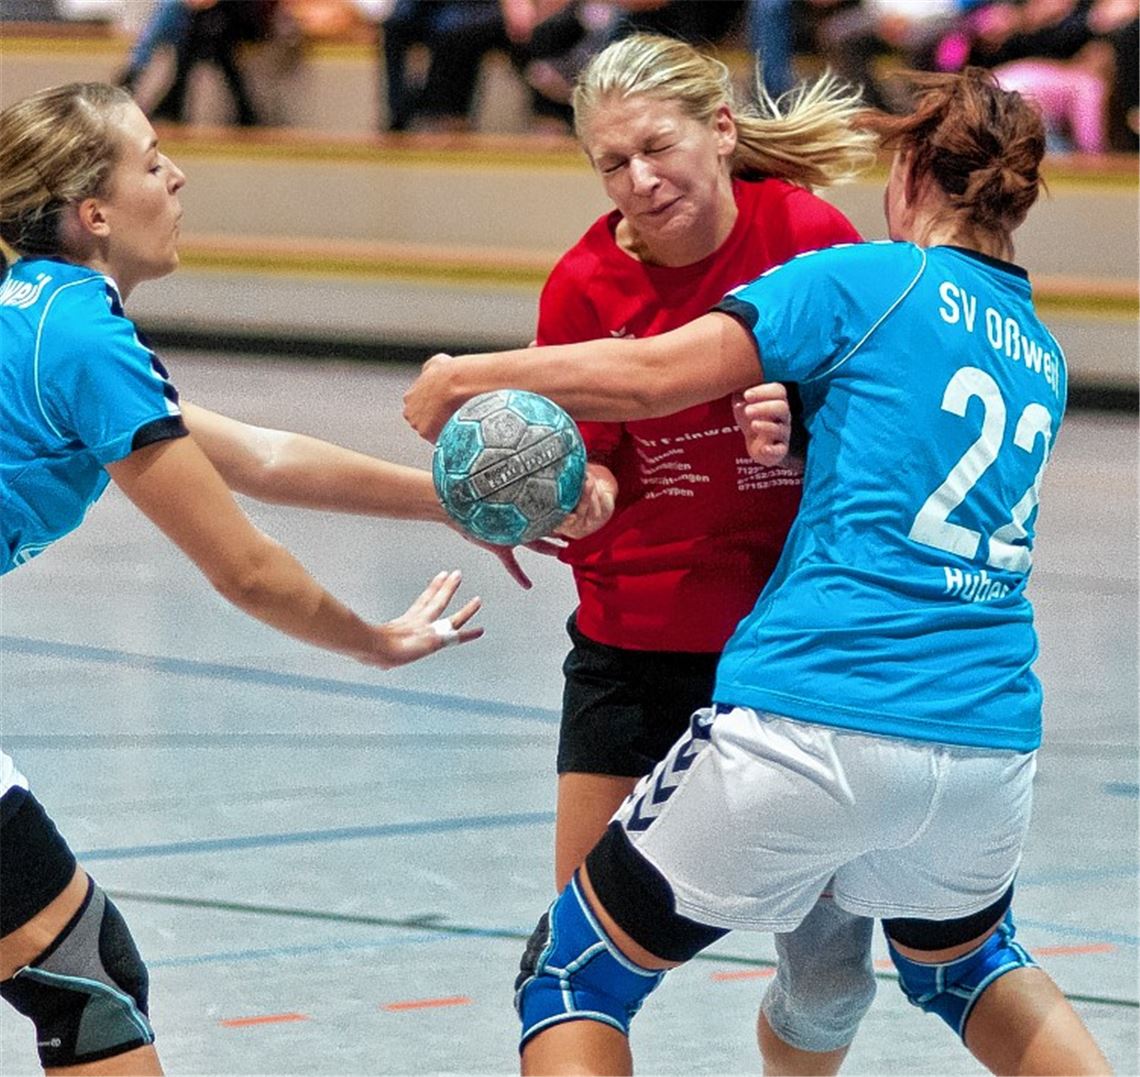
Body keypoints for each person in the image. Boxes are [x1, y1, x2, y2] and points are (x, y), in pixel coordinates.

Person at [403, 67, 1112, 1075]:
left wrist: (469, 374)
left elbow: (651, 373)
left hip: (821, 707)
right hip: (987, 739)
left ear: (911, 171)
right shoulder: (1037, 350)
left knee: (573, 977)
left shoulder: (866, 274)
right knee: (966, 969)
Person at [0, 80, 519, 1076]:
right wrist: (375, 642)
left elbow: (265, 456)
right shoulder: (80, 336)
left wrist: (456, 503)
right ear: (93, 212)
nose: (177, 173)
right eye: (150, 160)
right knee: (84, 978)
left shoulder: (45, 314)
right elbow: (242, 567)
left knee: (75, 968)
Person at [526, 32, 888, 1075]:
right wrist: (574, 498)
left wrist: (807, 423)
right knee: (573, 962)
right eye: (611, 163)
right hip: (631, 649)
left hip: (786, 662)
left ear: (720, 132)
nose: (640, 180)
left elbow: (881, 432)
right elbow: (591, 464)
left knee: (827, 989)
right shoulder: (584, 284)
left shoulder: (806, 234)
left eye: (658, 147)